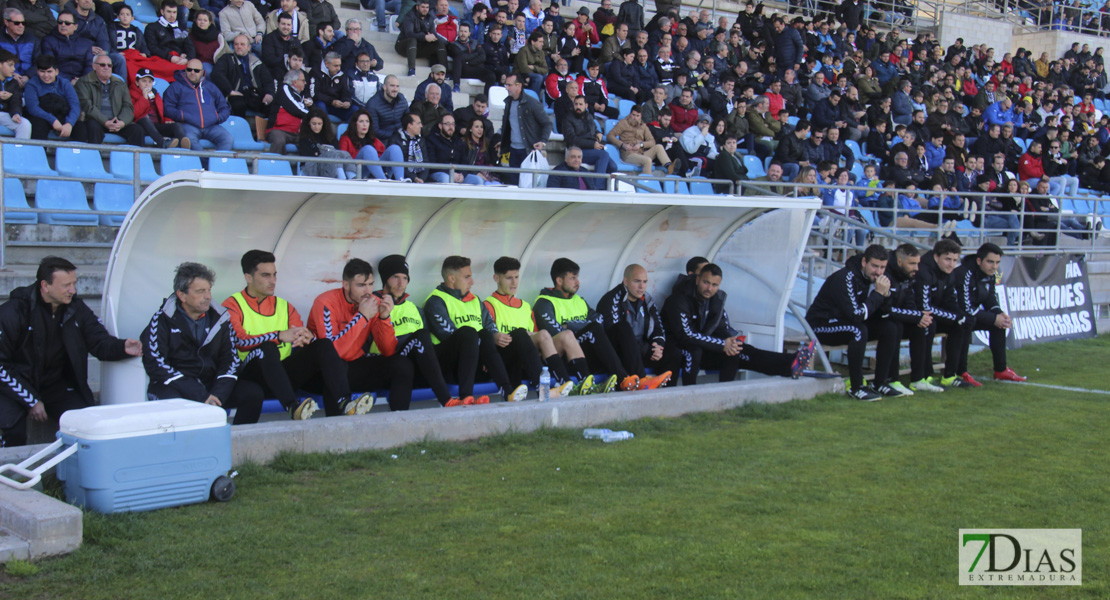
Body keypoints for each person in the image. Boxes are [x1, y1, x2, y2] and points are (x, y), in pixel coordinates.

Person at [0, 257, 141, 447]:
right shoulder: (13, 312)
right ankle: (12, 474)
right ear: (45, 285)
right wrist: (31, 399)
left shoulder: (75, 307)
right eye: (66, 285)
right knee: (11, 428)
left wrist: (122, 347)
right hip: (15, 385)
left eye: (74, 284)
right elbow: (2, 365)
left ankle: (73, 473)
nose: (73, 290)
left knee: (87, 424)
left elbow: (98, 340)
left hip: (55, 385)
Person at [223, 250, 372, 420]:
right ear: (248, 277)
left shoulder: (284, 306)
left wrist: (308, 338)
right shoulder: (232, 305)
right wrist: (278, 335)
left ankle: (345, 403)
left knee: (322, 344)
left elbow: (301, 334)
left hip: (282, 375)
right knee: (267, 348)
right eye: (265, 275)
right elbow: (241, 341)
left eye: (274, 275)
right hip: (251, 375)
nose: (272, 281)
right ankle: (293, 407)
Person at [142, 263, 264, 425]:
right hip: (174, 385)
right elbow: (156, 364)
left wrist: (217, 395)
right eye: (200, 291)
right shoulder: (162, 319)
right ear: (182, 295)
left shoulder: (220, 318)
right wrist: (200, 394)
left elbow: (231, 361)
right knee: (172, 403)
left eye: (209, 290)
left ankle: (236, 444)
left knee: (252, 393)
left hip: (211, 386)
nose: (207, 296)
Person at [663, 262, 814, 387]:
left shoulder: (715, 300)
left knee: (740, 350)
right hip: (680, 350)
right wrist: (722, 344)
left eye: (715, 285)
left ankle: (790, 363)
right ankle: (695, 396)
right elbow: (686, 336)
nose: (709, 288)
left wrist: (730, 343)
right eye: (706, 282)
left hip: (704, 348)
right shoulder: (679, 300)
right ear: (697, 280)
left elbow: (720, 328)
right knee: (703, 350)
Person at [306, 259, 416, 412]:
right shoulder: (326, 302)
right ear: (346, 285)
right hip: (324, 372)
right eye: (361, 285)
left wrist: (384, 318)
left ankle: (400, 422)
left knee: (401, 365)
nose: (368, 291)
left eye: (370, 284)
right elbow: (334, 352)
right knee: (338, 369)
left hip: (354, 364)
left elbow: (388, 351)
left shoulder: (373, 302)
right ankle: (337, 429)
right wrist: (362, 317)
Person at [422, 256, 528, 403]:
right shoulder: (435, 301)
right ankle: (466, 396)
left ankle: (508, 392)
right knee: (468, 332)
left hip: (475, 363)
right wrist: (482, 351)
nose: (472, 281)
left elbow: (490, 327)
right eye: (467, 277)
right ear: (452, 279)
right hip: (448, 367)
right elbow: (450, 337)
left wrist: (485, 350)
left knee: (489, 334)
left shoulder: (475, 299)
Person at [805, 244, 901, 401]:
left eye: (883, 267)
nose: (879, 272)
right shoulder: (845, 277)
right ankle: (856, 387)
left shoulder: (873, 279)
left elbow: (884, 313)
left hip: (845, 323)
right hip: (820, 326)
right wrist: (877, 294)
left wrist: (886, 294)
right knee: (859, 330)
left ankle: (880, 383)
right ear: (864, 262)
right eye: (875, 266)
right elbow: (855, 315)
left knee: (889, 327)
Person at [534, 258, 641, 393]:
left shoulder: (579, 300)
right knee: (592, 330)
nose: (578, 282)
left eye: (577, 278)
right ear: (559, 281)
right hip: (568, 359)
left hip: (593, 350)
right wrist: (585, 326)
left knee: (622, 327)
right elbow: (557, 334)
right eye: (573, 278)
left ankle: (640, 378)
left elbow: (600, 320)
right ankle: (623, 379)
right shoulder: (544, 303)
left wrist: (569, 324)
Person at [371, 255, 457, 408]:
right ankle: (446, 399)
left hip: (417, 365)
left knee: (464, 334)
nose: (400, 283)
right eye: (395, 277)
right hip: (389, 361)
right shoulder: (372, 304)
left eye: (405, 278)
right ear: (385, 279)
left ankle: (466, 396)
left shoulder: (415, 309)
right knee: (420, 337)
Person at [484, 256, 576, 396]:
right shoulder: (488, 305)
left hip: (528, 358)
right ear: (496, 278)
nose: (514, 282)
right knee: (520, 333)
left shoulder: (525, 306)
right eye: (509, 278)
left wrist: (529, 336)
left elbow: (536, 335)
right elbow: (490, 338)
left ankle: (564, 382)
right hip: (505, 359)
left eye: (516, 277)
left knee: (545, 334)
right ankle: (543, 389)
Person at [945, 243, 1028, 385]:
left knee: (999, 324)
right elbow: (966, 308)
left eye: (997, 263)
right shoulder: (965, 273)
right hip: (952, 316)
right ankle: (961, 372)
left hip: (970, 314)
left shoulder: (990, 274)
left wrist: (1000, 313)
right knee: (966, 323)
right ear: (979, 261)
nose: (994, 266)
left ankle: (1000, 370)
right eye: (990, 262)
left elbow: (990, 299)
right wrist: (993, 318)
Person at [597, 264, 677, 388]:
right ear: (626, 281)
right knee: (623, 327)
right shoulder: (611, 299)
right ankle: (642, 380)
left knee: (673, 352)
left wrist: (657, 346)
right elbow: (614, 333)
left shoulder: (647, 300)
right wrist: (647, 350)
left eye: (645, 282)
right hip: (619, 354)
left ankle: (668, 394)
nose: (642, 286)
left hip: (642, 350)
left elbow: (657, 327)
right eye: (637, 281)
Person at [912, 238, 970, 392]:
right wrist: (954, 316)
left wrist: (960, 315)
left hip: (933, 314)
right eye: (948, 259)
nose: (951, 264)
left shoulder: (949, 273)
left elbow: (950, 299)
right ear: (936, 257)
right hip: (916, 315)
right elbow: (924, 307)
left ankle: (950, 375)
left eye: (955, 260)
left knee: (962, 324)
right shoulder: (923, 271)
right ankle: (924, 374)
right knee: (930, 324)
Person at [164, 58, 233, 150]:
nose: (192, 72)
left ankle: (215, 163)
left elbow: (224, 107)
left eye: (196, 71)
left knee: (228, 139)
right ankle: (205, 164)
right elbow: (167, 107)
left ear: (202, 72)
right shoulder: (175, 87)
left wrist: (217, 117)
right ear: (185, 70)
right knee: (190, 142)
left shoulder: (211, 87)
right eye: (189, 69)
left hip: (211, 126)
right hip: (189, 125)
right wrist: (181, 115)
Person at [74, 53, 144, 145]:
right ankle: (94, 157)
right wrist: (105, 122)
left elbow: (128, 106)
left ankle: (131, 159)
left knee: (137, 130)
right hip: (97, 121)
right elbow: (87, 106)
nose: (106, 67)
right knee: (92, 126)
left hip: (117, 122)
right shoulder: (84, 82)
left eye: (109, 65)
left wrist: (122, 122)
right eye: (102, 65)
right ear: (94, 66)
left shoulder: (120, 84)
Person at [502, 72, 551, 184]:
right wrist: (503, 140)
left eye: (509, 85)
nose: (507, 88)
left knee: (527, 185)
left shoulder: (532, 103)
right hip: (513, 150)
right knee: (514, 185)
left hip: (528, 150)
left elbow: (547, 123)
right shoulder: (508, 102)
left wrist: (543, 141)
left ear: (519, 85)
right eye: (506, 85)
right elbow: (509, 125)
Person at [212, 33, 275, 120]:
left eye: (242, 44)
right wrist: (229, 91)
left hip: (254, 94)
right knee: (237, 105)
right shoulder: (226, 59)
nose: (239, 46)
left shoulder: (256, 61)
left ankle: (268, 132)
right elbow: (217, 74)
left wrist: (269, 93)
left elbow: (268, 80)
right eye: (236, 44)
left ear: (249, 48)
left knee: (273, 104)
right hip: (237, 94)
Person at [23, 55, 79, 140]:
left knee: (80, 127)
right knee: (38, 125)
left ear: (56, 71)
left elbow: (75, 105)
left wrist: (69, 123)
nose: (46, 75)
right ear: (37, 71)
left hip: (62, 115)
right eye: (42, 71)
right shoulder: (31, 84)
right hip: (42, 117)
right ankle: (39, 153)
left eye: (49, 71)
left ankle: (78, 153)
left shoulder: (65, 83)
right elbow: (33, 108)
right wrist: (53, 120)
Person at [606, 103, 672, 174]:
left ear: (641, 116)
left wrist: (641, 145)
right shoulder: (623, 123)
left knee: (659, 147)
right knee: (647, 160)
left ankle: (669, 167)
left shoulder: (643, 126)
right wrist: (622, 144)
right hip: (628, 154)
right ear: (630, 114)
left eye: (638, 116)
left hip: (640, 153)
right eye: (633, 115)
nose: (635, 118)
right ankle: (647, 182)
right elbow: (610, 136)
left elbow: (652, 142)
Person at [40, 11, 94, 84]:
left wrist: (81, 81)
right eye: (60, 22)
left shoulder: (86, 43)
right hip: (58, 82)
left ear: (75, 27)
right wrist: (69, 81)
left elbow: (89, 66)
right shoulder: (48, 41)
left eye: (67, 23)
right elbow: (50, 66)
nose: (63, 25)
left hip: (83, 82)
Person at [266, 67, 311, 154]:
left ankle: (307, 167)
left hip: (296, 133)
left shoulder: (299, 96)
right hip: (278, 130)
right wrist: (314, 115)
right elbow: (296, 109)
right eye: (303, 80)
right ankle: (274, 165)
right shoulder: (285, 89)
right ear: (294, 82)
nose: (305, 83)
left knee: (310, 142)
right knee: (279, 140)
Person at [396, 0, 445, 77]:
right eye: (422, 7)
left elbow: (433, 34)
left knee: (439, 43)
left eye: (427, 7)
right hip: (403, 46)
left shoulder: (429, 18)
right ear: (417, 7)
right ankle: (411, 70)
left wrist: (432, 37)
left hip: (419, 47)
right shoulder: (409, 16)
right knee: (412, 40)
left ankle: (444, 71)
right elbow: (409, 34)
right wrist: (424, 36)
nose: (425, 9)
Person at [144, 1, 196, 67]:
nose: (172, 15)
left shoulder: (181, 28)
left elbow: (190, 47)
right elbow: (152, 48)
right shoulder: (151, 27)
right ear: (162, 12)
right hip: (161, 60)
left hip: (180, 61)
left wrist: (187, 59)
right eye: (169, 12)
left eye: (174, 12)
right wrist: (170, 57)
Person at [260, 11, 302, 79]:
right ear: (278, 24)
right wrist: (288, 62)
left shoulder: (295, 41)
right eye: (283, 24)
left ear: (291, 26)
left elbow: (302, 57)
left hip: (294, 73)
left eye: (288, 25)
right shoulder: (269, 39)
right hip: (275, 74)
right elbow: (269, 60)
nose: (286, 27)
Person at [0, 8, 39, 82]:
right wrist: (12, 74)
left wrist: (27, 76)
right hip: (6, 78)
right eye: (17, 23)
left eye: (23, 23)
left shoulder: (31, 38)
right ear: (6, 22)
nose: (21, 26)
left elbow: (38, 62)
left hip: (30, 79)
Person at [0, 49, 31, 139]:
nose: (13, 69)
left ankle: (19, 152)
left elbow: (16, 100)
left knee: (24, 124)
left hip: (3, 114)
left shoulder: (13, 82)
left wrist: (16, 113)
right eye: (10, 65)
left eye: (14, 65)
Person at [366, 73, 408, 139]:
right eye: (392, 86)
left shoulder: (401, 99)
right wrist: (394, 136)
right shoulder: (373, 104)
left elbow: (408, 120)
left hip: (402, 138)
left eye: (397, 86)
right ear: (384, 87)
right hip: (383, 140)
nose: (395, 89)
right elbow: (374, 131)